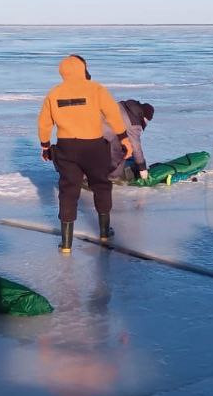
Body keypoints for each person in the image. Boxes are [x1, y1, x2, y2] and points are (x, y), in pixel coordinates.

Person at [37, 54, 131, 253]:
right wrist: (123, 138)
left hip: (66, 147)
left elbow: (44, 122)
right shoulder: (96, 89)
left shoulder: (54, 93)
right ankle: (105, 231)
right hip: (94, 147)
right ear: (83, 69)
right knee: (101, 185)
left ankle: (66, 244)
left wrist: (45, 146)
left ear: (62, 72)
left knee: (68, 191)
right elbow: (113, 114)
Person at [103, 99, 154, 182]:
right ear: (144, 116)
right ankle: (110, 178)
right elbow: (136, 147)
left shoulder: (124, 106)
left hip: (90, 127)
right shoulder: (134, 123)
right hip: (103, 134)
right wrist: (142, 168)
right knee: (122, 151)